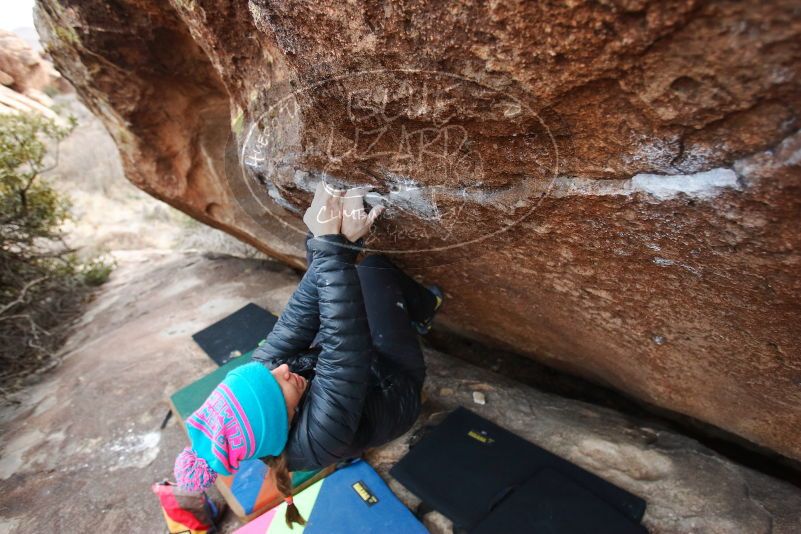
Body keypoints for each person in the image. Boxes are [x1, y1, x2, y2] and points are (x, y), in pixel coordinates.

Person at [173, 182, 443, 527]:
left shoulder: (265, 378)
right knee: (372, 270)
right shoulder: (319, 440)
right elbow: (345, 351)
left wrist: (330, 240)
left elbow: (297, 319)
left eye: (267, 373)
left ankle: (373, 277)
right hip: (394, 382)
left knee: (335, 276)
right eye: (276, 385)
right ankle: (423, 309)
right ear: (281, 421)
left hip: (352, 370)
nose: (280, 369)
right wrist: (337, 246)